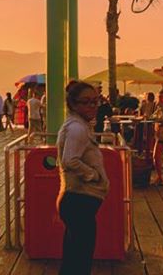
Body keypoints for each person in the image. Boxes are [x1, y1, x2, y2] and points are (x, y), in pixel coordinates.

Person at [56, 80, 108, 275]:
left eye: (95, 101)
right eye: (86, 102)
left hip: (77, 199)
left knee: (73, 257)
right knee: (80, 260)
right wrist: (93, 175)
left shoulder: (77, 125)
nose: (92, 106)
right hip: (80, 199)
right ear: (73, 104)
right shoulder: (78, 129)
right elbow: (70, 160)